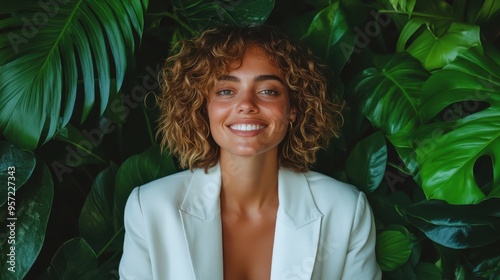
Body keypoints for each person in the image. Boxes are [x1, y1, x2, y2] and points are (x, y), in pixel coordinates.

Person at [119, 24, 381, 279]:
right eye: (225, 91)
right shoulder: (150, 207)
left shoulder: (345, 210)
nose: (245, 105)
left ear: (293, 108)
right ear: (202, 107)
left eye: (268, 91)